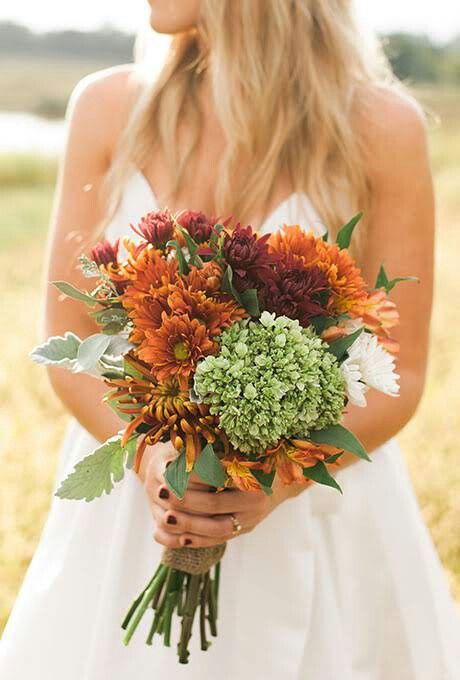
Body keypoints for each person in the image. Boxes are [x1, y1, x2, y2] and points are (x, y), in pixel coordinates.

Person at [1, 1, 460, 678]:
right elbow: (66, 345)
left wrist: (272, 483)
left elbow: (403, 368)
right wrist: (155, 460)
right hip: (135, 514)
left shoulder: (379, 127)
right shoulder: (106, 106)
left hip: (317, 516)